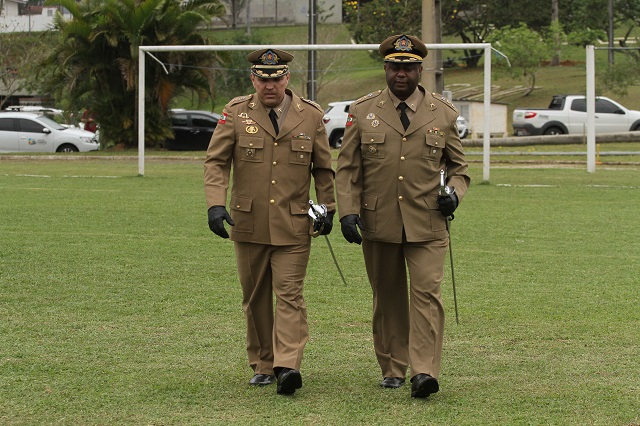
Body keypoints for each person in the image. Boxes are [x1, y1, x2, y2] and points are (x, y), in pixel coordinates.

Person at [336, 34, 470, 398]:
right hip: (378, 221)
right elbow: (347, 170)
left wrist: (454, 196)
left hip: (428, 221)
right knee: (388, 295)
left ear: (420, 70)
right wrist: (347, 212)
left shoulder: (442, 112)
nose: (401, 74)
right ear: (385, 68)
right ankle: (393, 367)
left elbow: (460, 168)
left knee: (426, 294)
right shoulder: (362, 111)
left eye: (408, 67)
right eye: (395, 66)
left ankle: (424, 371)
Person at [203, 48, 335, 395]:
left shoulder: (310, 115)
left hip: (294, 221)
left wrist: (329, 207)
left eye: (276, 78)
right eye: (263, 78)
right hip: (247, 221)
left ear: (287, 78)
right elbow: (216, 163)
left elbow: (323, 168)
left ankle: (287, 365)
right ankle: (263, 362)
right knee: (256, 296)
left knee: (290, 294)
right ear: (253, 79)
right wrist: (215, 206)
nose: (269, 85)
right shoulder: (234, 113)